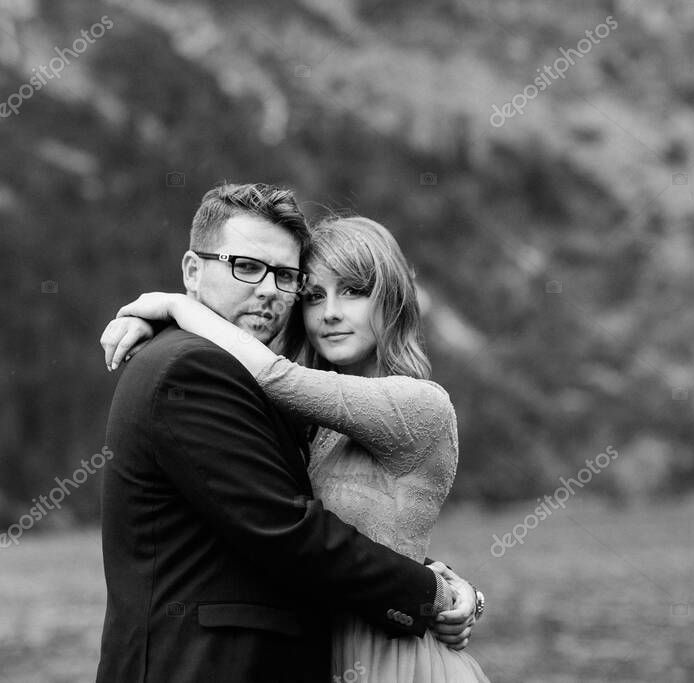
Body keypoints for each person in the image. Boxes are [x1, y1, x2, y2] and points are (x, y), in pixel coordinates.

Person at [96, 182, 483, 682]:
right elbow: (289, 529)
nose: (329, 312)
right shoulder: (192, 369)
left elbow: (319, 525)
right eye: (247, 267)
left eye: (284, 275)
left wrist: (450, 593)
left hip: (387, 659)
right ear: (193, 270)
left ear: (393, 300)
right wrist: (433, 592)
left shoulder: (412, 403)